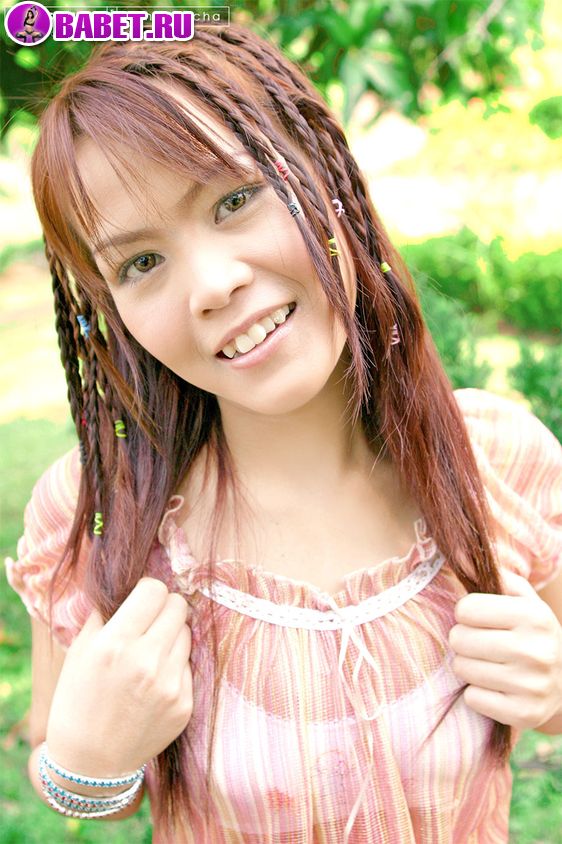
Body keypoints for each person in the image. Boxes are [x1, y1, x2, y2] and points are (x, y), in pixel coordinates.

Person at [4, 22, 562, 844]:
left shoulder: (499, 460)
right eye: (140, 263)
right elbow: (71, 769)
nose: (212, 284)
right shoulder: (98, 513)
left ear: (319, 175)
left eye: (234, 201)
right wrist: (85, 762)